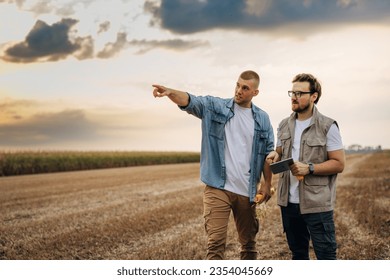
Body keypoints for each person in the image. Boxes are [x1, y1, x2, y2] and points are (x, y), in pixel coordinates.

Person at [152, 70, 274, 260]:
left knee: (249, 245)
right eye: (237, 85)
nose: (239, 90)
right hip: (218, 186)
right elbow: (191, 101)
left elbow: (268, 151)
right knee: (215, 243)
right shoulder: (215, 107)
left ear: (255, 93)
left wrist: (267, 183)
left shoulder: (262, 118)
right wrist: (170, 92)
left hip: (247, 190)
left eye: (245, 88)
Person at [266, 73, 345, 260]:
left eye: (300, 93)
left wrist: (309, 168)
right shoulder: (284, 124)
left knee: (326, 257)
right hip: (289, 203)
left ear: (314, 96)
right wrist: (275, 154)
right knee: (298, 256)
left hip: (317, 204)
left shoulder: (328, 126)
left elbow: (339, 163)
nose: (294, 97)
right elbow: (279, 150)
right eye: (292, 92)